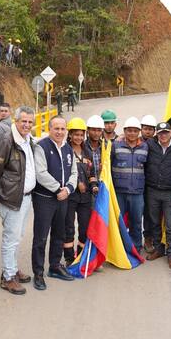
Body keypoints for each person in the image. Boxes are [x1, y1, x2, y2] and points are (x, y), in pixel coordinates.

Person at [0, 106, 37, 295]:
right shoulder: (7, 140)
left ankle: (13, 269)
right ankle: (8, 277)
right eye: (23, 121)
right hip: (12, 198)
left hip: (25, 197)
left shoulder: (28, 139)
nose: (27, 125)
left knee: (17, 237)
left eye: (30, 122)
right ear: (15, 121)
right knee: (11, 238)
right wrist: (0, 194)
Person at [32, 115, 78, 290]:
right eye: (56, 128)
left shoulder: (68, 148)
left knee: (59, 234)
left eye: (62, 129)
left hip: (63, 198)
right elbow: (40, 172)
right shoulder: (41, 147)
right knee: (41, 237)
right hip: (45, 199)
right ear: (49, 129)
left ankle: (55, 266)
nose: (59, 132)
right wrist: (58, 189)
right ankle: (38, 272)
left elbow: (74, 172)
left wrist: (68, 189)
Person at [144, 122, 171, 269]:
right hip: (152, 190)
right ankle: (159, 248)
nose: (163, 135)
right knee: (154, 222)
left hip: (169, 192)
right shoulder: (150, 145)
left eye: (166, 132)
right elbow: (136, 141)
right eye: (161, 133)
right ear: (157, 134)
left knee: (170, 224)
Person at [111, 117, 148, 254]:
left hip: (137, 192)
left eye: (135, 131)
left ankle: (136, 248)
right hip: (119, 192)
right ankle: (120, 248)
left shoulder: (145, 147)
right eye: (129, 131)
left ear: (139, 132)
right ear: (124, 131)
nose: (132, 133)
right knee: (119, 222)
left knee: (136, 222)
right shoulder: (116, 145)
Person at [63, 118, 93, 266]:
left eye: (81, 135)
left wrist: (94, 185)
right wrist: (76, 184)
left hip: (86, 197)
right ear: (70, 134)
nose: (79, 138)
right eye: (76, 134)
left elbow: (92, 172)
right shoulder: (65, 151)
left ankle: (81, 255)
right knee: (68, 227)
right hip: (70, 196)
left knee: (84, 227)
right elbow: (63, 172)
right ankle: (69, 258)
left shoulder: (87, 152)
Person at [140, 114, 157, 251]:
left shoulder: (157, 143)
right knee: (134, 214)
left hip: (151, 184)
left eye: (150, 129)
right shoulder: (135, 141)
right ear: (141, 129)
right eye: (145, 129)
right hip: (137, 183)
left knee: (149, 213)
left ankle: (149, 239)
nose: (148, 132)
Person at [85, 115, 105, 185]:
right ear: (88, 130)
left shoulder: (105, 147)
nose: (96, 133)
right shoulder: (82, 147)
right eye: (93, 130)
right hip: (88, 186)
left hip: (103, 185)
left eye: (99, 130)